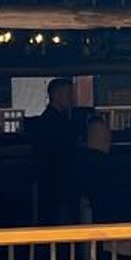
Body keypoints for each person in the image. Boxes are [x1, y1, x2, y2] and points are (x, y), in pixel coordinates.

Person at [27, 77, 88, 224]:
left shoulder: (51, 121)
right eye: (69, 94)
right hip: (58, 185)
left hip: (54, 184)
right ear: (55, 96)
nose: (72, 99)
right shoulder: (55, 123)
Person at [75, 118, 131, 223]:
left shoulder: (75, 167)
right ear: (107, 139)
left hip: (88, 231)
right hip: (122, 229)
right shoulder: (119, 167)